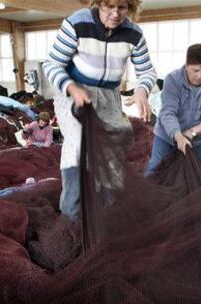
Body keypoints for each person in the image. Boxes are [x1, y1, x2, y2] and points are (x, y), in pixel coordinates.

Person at [42, 0, 157, 221]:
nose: (115, 14)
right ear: (98, 3)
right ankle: (72, 210)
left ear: (131, 8)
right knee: (79, 140)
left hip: (109, 94)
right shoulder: (77, 23)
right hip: (74, 90)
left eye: (122, 8)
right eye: (109, 6)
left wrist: (142, 89)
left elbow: (147, 71)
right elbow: (52, 64)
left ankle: (107, 208)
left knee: (118, 138)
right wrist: (72, 88)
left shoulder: (134, 34)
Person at [145, 43, 201, 180]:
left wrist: (192, 133)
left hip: (197, 139)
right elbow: (168, 112)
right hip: (166, 137)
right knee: (155, 169)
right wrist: (178, 136)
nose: (199, 76)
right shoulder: (172, 79)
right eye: (195, 70)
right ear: (187, 65)